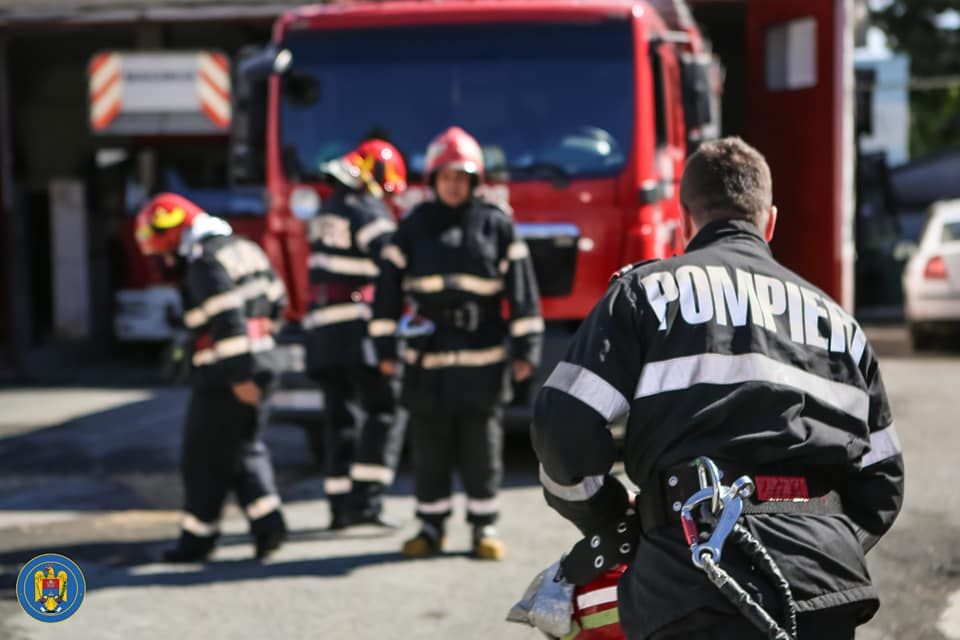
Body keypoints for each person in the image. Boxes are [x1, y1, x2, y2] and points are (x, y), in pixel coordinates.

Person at [531, 137, 904, 638]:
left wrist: (612, 521)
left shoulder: (644, 294)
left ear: (684, 220)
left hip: (690, 586)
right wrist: (823, 538)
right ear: (769, 221)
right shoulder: (840, 325)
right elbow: (883, 479)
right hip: (827, 590)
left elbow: (561, 428)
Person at [372, 126, 543, 560]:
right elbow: (387, 291)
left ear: (473, 181)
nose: (453, 185)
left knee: (480, 449)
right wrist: (384, 350)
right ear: (432, 180)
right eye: (445, 176)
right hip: (426, 360)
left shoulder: (496, 225)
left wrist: (527, 351)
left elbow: (522, 293)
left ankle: (484, 527)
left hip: (481, 359)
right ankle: (430, 527)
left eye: (461, 177)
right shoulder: (412, 227)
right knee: (429, 449)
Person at [134, 193, 289, 561]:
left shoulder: (205, 261)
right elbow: (279, 301)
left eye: (164, 248)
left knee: (202, 458)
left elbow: (228, 321)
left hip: (227, 375)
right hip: (263, 363)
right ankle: (269, 526)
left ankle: (197, 541)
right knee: (243, 449)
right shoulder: (245, 247)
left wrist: (239, 376)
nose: (165, 258)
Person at [304, 139, 408, 529]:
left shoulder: (327, 207)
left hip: (322, 333)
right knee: (385, 409)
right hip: (358, 332)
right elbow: (391, 256)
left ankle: (338, 506)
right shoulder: (364, 207)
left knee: (340, 419)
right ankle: (365, 504)